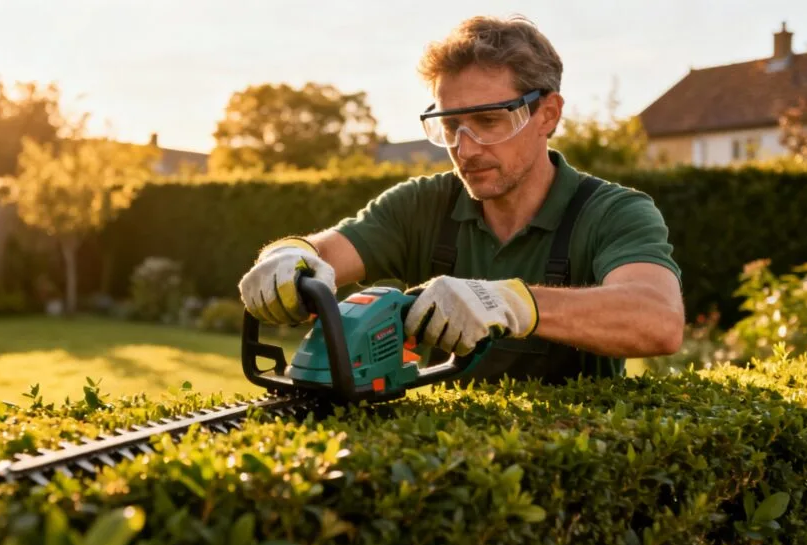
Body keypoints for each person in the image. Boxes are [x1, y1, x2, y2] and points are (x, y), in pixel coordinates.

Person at [238, 15, 685, 385]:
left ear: (547, 114)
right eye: (451, 126)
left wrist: (514, 304)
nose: (465, 149)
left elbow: (659, 319)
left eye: (489, 121)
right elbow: (327, 252)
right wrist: (288, 256)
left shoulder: (613, 212)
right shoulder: (423, 204)